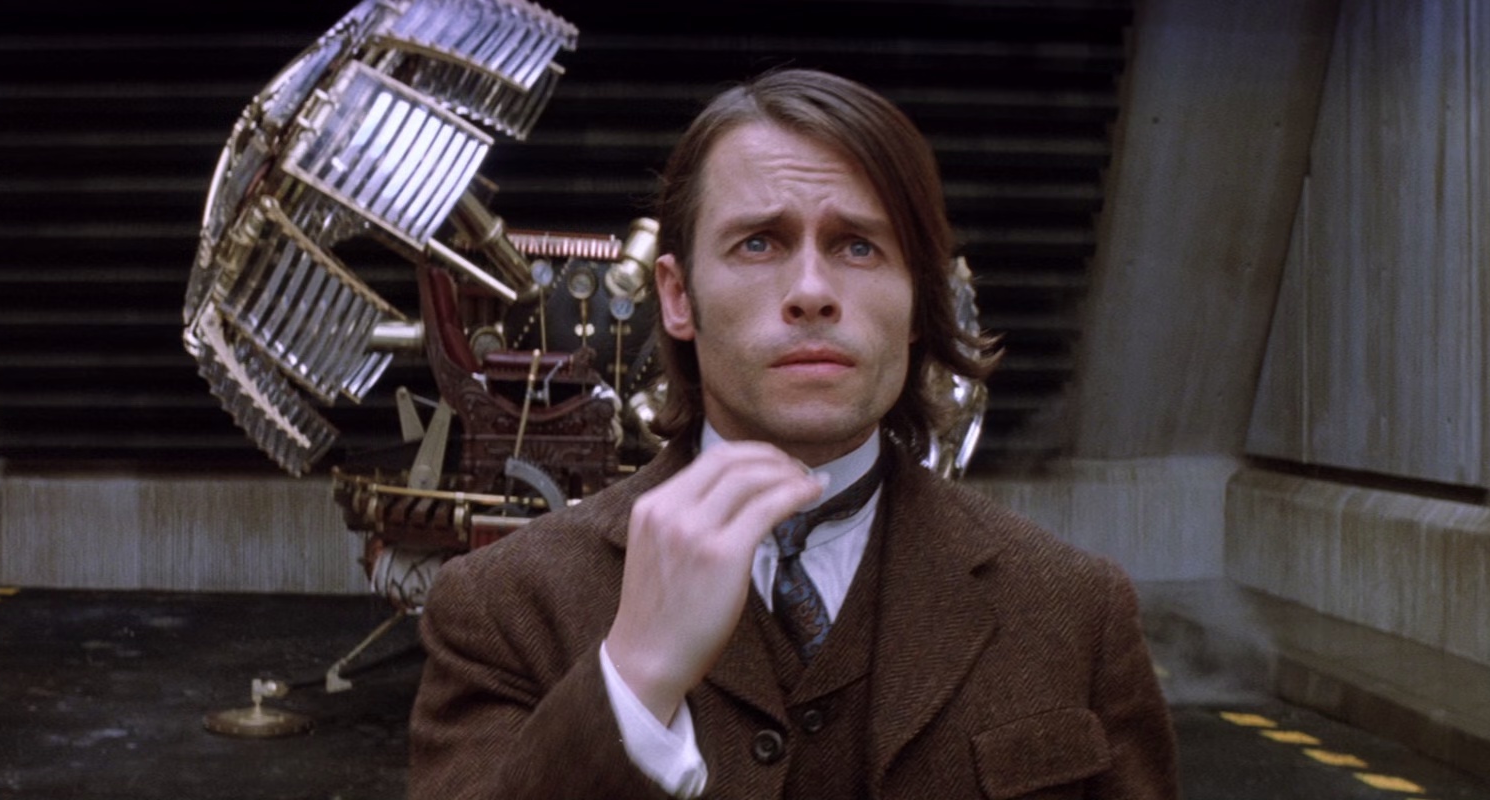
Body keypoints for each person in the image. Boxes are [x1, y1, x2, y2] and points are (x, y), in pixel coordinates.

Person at [408, 68, 1178, 799]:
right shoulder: (503, 606)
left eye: (858, 246)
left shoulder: (1076, 610)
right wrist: (632, 681)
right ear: (677, 296)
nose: (811, 292)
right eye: (759, 243)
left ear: (920, 300)